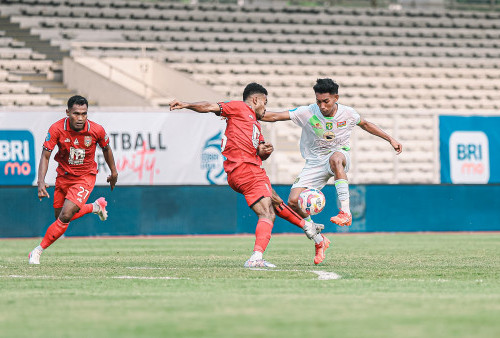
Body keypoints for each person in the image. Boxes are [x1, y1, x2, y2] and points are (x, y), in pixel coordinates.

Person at [170, 83, 324, 268]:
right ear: (256, 99)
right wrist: (186, 104)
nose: (265, 108)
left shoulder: (255, 125)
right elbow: (210, 106)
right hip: (245, 169)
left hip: (247, 169)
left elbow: (259, 152)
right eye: (265, 102)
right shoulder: (239, 107)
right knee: (267, 212)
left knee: (276, 202)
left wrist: (264, 150)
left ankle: (311, 231)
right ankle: (256, 258)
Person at [263, 78, 403, 231]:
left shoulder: (348, 113)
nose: (322, 106)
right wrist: (248, 114)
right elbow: (275, 116)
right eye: (318, 102)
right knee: (293, 201)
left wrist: (390, 139)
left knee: (336, 158)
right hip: (315, 162)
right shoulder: (307, 112)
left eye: (326, 101)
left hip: (339, 155)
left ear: (336, 98)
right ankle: (314, 230)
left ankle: (345, 212)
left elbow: (366, 124)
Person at [28, 95, 118, 264]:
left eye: (84, 114)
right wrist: (41, 181)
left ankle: (37, 251)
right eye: (76, 113)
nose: (80, 118)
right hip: (63, 176)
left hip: (85, 177)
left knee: (66, 215)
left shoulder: (96, 130)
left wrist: (114, 172)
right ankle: (95, 207)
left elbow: (106, 149)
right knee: (60, 218)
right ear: (67, 112)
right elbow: (45, 156)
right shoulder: (56, 129)